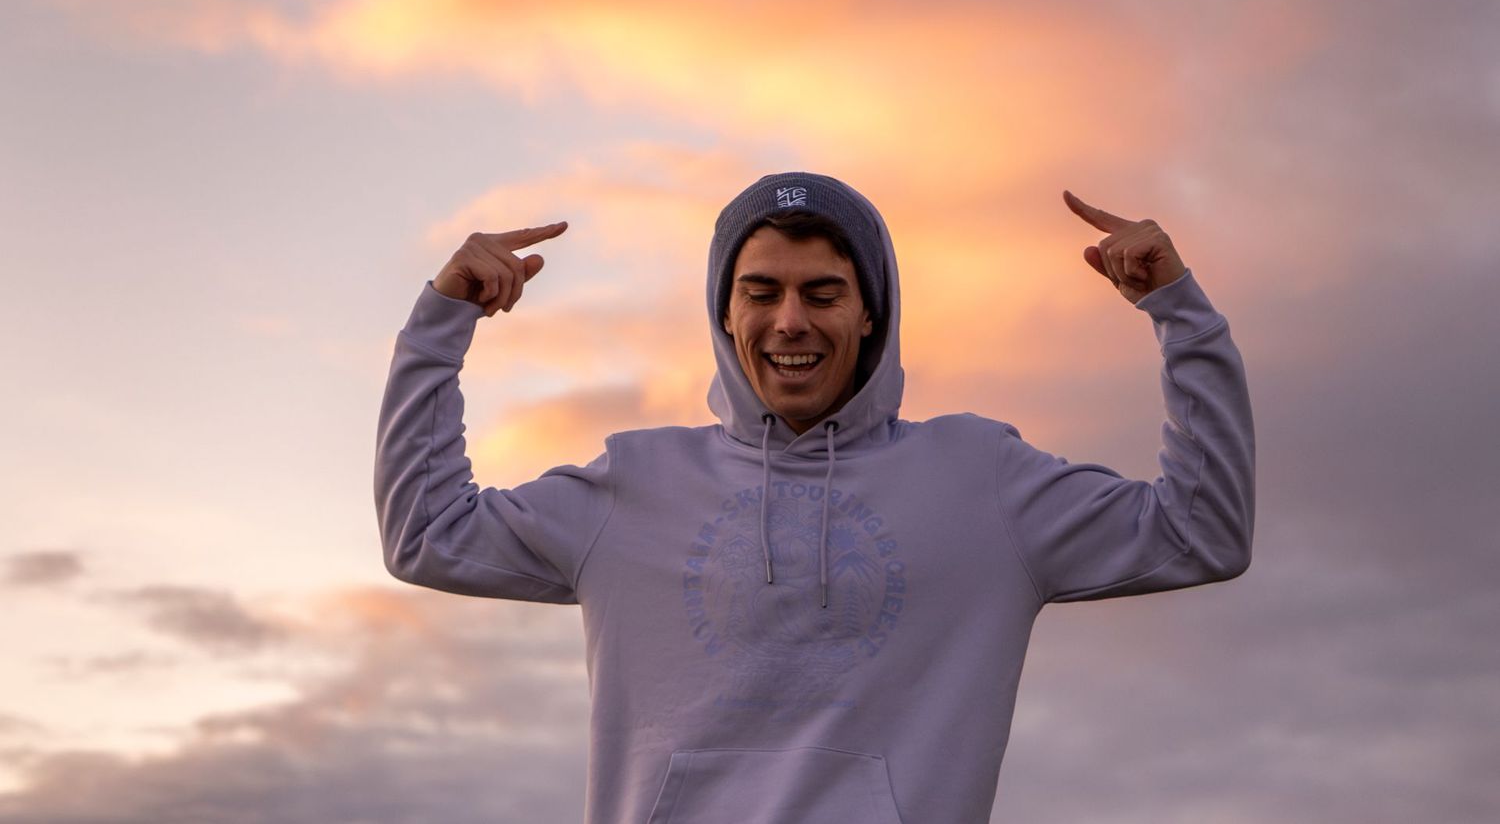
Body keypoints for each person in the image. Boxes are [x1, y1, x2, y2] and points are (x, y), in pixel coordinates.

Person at [374, 171, 1255, 823]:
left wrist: (1179, 313)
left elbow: (1201, 531)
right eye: (760, 293)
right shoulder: (631, 486)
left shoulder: (984, 483)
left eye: (824, 293)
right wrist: (442, 321)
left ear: (870, 313)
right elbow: (427, 534)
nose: (790, 321)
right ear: (725, 315)